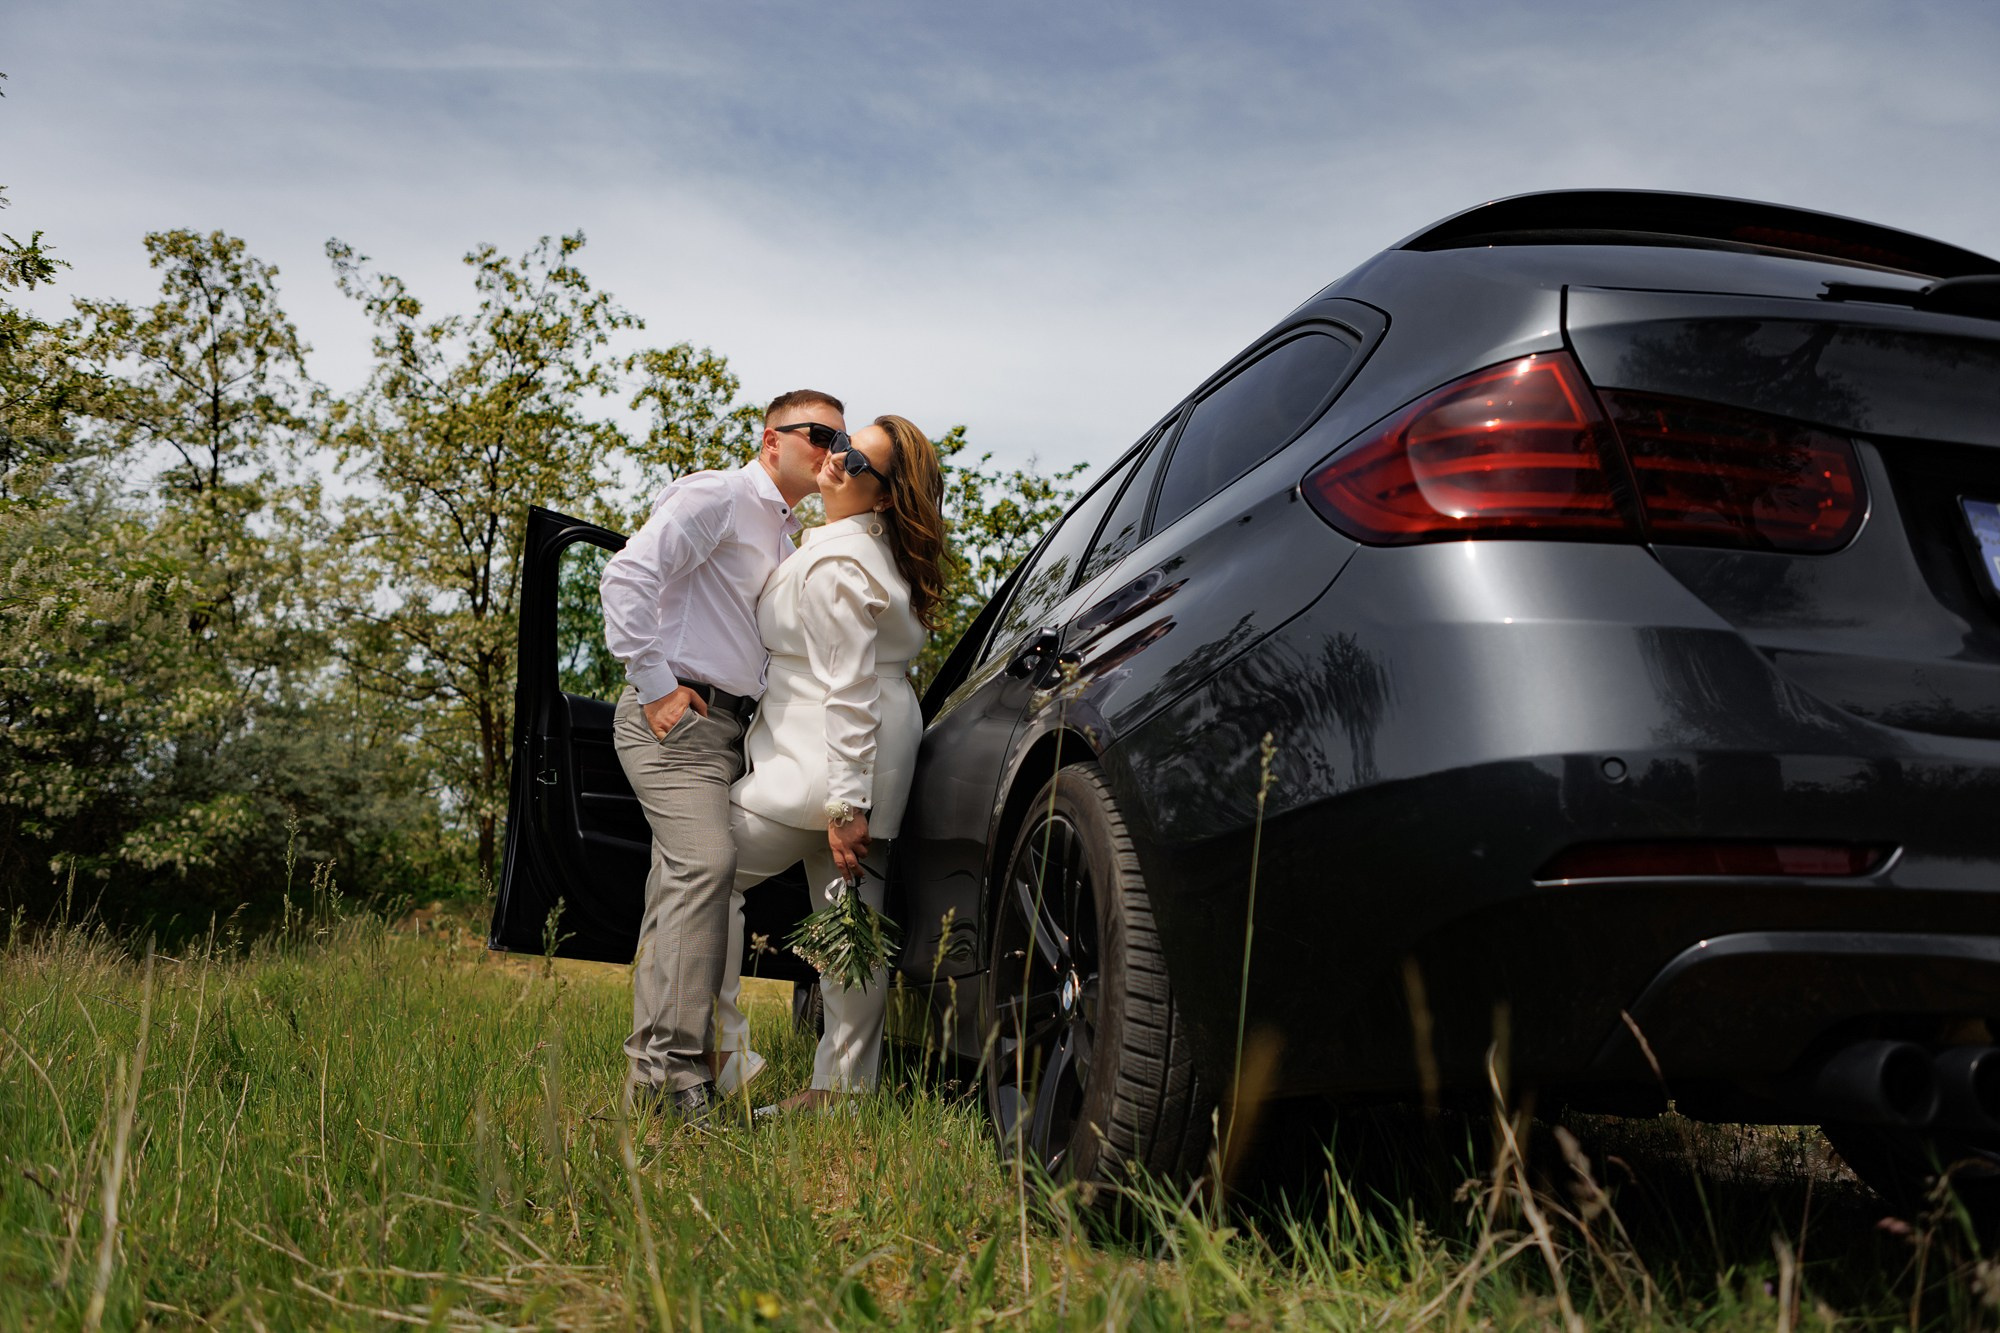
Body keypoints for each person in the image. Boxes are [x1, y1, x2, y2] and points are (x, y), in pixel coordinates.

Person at [599, 388, 847, 1121]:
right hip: (678, 721)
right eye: (819, 435)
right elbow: (625, 575)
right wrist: (654, 687)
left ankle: (655, 1078)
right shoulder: (719, 496)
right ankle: (676, 1078)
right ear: (772, 438)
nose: (832, 451)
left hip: (732, 732)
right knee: (708, 865)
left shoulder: (784, 533)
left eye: (842, 442)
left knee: (682, 883)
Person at [715, 414, 949, 1111]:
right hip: (861, 760)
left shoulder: (843, 561)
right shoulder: (857, 548)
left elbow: (847, 689)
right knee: (852, 924)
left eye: (859, 461)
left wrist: (846, 806)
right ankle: (841, 1096)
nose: (838, 459)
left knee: (702, 873)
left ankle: (721, 1047)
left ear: (883, 497)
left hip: (828, 763)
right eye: (843, 446)